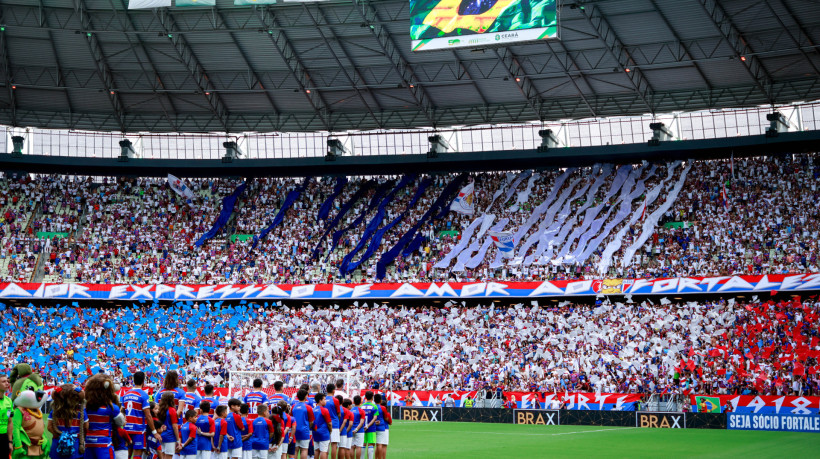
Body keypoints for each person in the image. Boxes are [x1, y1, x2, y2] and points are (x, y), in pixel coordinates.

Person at [122, 371, 161, 459]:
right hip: (138, 429)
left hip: (127, 428)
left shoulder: (126, 394)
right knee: (137, 455)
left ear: (133, 380)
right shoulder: (143, 395)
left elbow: (122, 411)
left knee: (128, 455)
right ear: (143, 381)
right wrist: (154, 432)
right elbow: (148, 415)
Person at [47, 384, 88, 459]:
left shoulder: (55, 411)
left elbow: (49, 427)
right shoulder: (81, 412)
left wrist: (61, 436)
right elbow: (86, 427)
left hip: (58, 444)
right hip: (75, 445)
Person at [290, 390, 314, 459]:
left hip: (294, 431)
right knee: (304, 449)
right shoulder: (308, 407)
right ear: (305, 396)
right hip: (304, 431)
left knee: (295, 450)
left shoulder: (293, 406)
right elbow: (311, 421)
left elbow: (291, 419)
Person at [158, 393, 182, 459]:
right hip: (170, 436)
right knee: (168, 456)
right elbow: (175, 426)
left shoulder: (160, 409)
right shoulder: (172, 410)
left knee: (163, 456)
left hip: (161, 435)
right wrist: (177, 440)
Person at [311, 394, 332, 459]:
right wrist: (330, 430)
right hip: (324, 432)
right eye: (324, 399)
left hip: (315, 432)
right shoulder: (324, 410)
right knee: (324, 450)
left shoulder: (313, 410)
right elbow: (329, 423)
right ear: (320, 400)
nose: (325, 401)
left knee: (317, 450)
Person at [359, 392, 379, 459]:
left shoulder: (361, 406)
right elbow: (375, 418)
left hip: (362, 428)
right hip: (371, 428)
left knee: (363, 444)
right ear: (372, 397)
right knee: (371, 444)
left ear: (365, 397)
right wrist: (368, 425)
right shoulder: (374, 406)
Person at [323, 385, 340, 459]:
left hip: (324, 423)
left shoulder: (323, 399)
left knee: (326, 443)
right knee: (334, 444)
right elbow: (338, 413)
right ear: (334, 391)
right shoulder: (335, 400)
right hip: (334, 423)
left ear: (326, 390)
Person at [372, 395, 390, 459]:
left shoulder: (373, 407)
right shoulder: (383, 408)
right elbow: (386, 418)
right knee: (380, 444)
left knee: (373, 445)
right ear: (380, 400)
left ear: (374, 400)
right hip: (381, 427)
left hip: (373, 427)